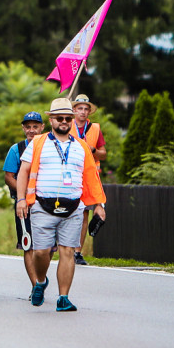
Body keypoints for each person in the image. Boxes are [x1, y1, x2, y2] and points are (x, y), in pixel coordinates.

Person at [16, 98, 107, 312]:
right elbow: (23, 172)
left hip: (74, 207)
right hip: (42, 206)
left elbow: (92, 178)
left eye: (68, 118)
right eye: (59, 118)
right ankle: (40, 281)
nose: (64, 121)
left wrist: (99, 205)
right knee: (41, 252)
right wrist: (21, 200)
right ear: (51, 119)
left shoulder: (82, 146)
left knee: (68, 251)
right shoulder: (38, 142)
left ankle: (63, 297)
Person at [3, 112, 44, 287]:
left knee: (46, 248)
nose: (32, 130)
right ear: (23, 128)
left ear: (42, 127)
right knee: (28, 244)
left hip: (45, 203)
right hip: (23, 203)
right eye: (28, 127)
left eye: (35, 126)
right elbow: (9, 176)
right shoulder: (16, 149)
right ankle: (35, 285)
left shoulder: (48, 146)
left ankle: (41, 277)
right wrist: (25, 193)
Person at [70, 94, 107, 266]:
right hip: (71, 173)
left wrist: (93, 150)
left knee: (84, 213)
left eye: (86, 109)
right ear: (74, 110)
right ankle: (66, 247)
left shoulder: (95, 129)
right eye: (80, 109)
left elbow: (104, 154)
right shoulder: (66, 125)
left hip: (89, 175)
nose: (83, 112)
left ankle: (78, 251)